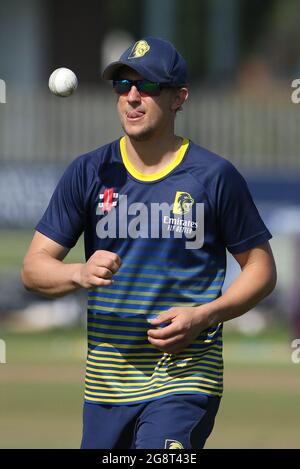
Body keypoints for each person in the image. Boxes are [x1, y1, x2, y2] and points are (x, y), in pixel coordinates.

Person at [21, 36, 277, 449]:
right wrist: (77, 272)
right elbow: (34, 269)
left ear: (179, 97)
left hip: (186, 379)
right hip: (106, 389)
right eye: (123, 86)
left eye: (149, 86)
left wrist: (206, 315)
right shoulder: (88, 172)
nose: (133, 97)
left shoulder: (214, 176)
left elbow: (261, 268)